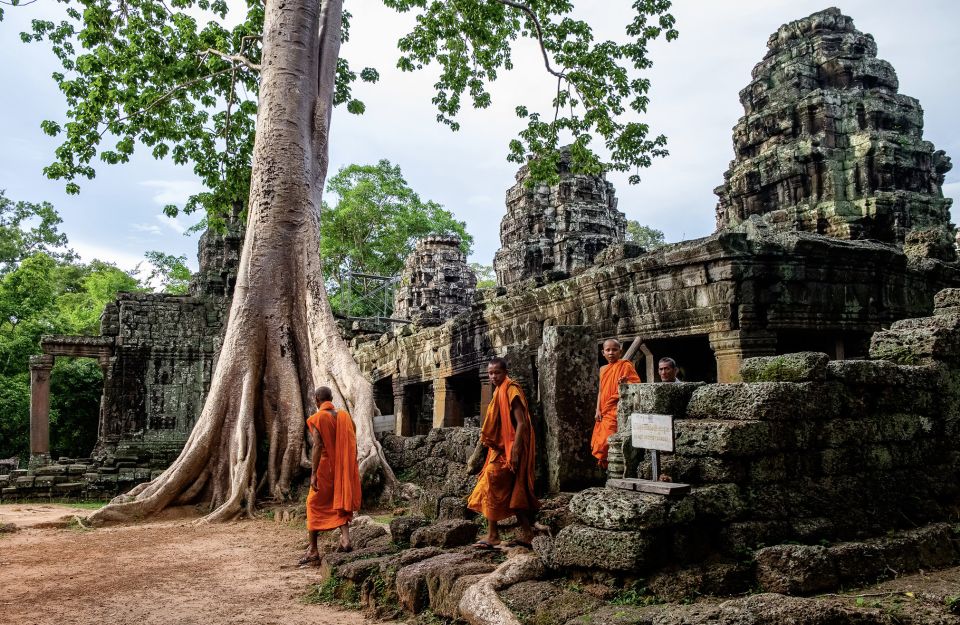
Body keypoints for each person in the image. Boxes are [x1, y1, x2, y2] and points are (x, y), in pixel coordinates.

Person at [467, 357, 539, 548]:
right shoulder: (499, 390)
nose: (493, 376)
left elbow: (522, 423)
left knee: (492, 482)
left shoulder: (511, 389)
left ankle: (493, 535)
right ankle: (527, 534)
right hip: (500, 449)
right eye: (490, 373)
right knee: (513, 490)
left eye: (497, 372)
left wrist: (514, 451)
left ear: (505, 372)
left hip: (511, 449)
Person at [299, 386, 361, 565]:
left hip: (325, 467)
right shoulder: (344, 416)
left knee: (312, 503)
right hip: (342, 467)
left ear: (317, 400)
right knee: (339, 500)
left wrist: (313, 474)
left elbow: (318, 446)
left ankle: (313, 550)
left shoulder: (318, 418)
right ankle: (346, 539)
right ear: (331, 399)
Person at [591, 339, 642, 468]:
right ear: (603, 352)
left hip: (616, 409)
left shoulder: (626, 365)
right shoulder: (603, 369)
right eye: (608, 350)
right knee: (601, 441)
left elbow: (636, 385)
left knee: (608, 441)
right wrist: (598, 409)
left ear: (621, 351)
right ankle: (608, 469)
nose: (611, 353)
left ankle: (614, 468)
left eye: (614, 349)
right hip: (604, 410)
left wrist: (624, 384)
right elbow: (601, 391)